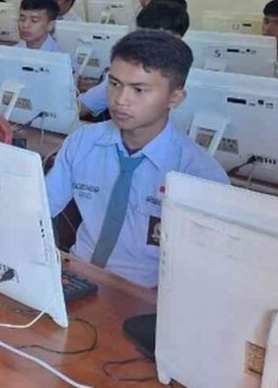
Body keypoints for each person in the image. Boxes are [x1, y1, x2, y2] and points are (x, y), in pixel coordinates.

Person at [45, 30, 229, 287]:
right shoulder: (83, 141)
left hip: (147, 293)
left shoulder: (200, 174)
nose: (120, 100)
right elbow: (41, 208)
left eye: (139, 90)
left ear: (175, 98)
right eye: (114, 84)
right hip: (76, 274)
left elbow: (207, 269)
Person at [79, 0, 189, 118]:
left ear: (177, 39)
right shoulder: (127, 72)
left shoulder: (191, 77)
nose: (145, 45)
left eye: (155, 40)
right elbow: (82, 106)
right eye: (141, 37)